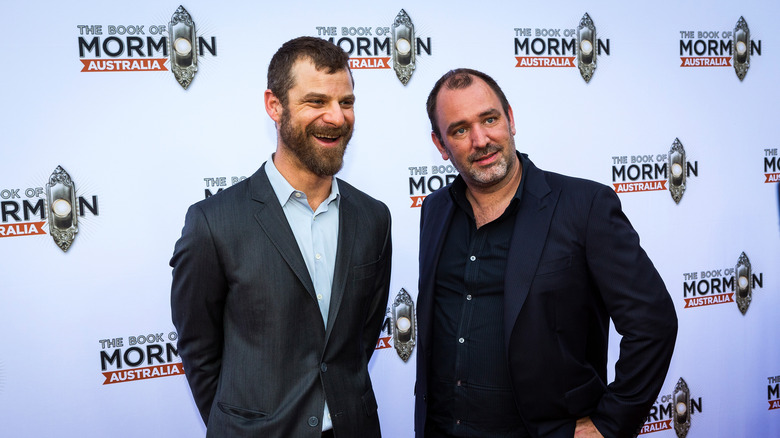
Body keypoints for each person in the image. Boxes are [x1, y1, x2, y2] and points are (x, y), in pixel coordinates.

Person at [415, 68, 678, 438]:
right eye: (459, 130)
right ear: (440, 145)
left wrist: (609, 425)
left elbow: (653, 322)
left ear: (510, 119)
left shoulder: (584, 206)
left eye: (489, 119)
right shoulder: (435, 210)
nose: (480, 139)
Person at [170, 37, 392, 438]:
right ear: (275, 106)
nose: (337, 118)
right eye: (316, 102)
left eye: (346, 102)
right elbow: (199, 352)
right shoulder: (213, 222)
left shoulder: (374, 217)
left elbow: (361, 338)